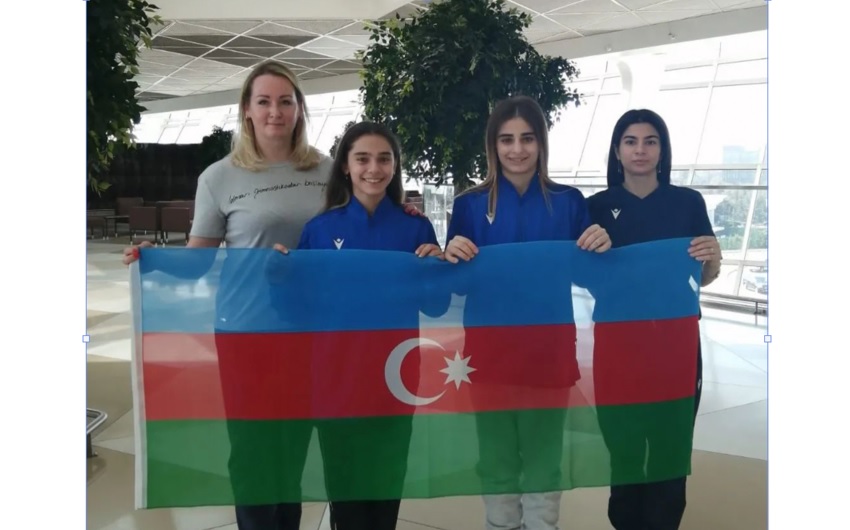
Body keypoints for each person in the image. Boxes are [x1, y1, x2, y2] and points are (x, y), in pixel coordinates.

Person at [122, 60, 421, 530]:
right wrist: (153, 259)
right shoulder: (219, 177)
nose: (275, 112)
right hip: (248, 335)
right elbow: (199, 259)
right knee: (255, 457)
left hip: (313, 337)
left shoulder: (326, 169)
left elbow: (364, 214)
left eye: (285, 101)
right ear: (247, 109)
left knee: (293, 455)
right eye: (263, 101)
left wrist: (403, 210)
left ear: (299, 109)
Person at [443, 95, 611, 530]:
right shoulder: (469, 205)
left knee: (544, 454)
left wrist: (600, 245)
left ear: (541, 143)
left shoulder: (569, 201)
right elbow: (456, 284)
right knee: (495, 454)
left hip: (547, 351)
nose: (517, 149)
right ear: (492, 145)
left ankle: (542, 524)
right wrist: (449, 256)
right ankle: (500, 524)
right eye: (506, 139)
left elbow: (588, 276)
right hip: (489, 352)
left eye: (527, 138)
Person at [274, 121, 442, 530]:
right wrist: (279, 275)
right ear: (345, 167)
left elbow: (435, 307)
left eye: (384, 159)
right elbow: (296, 311)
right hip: (336, 379)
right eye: (362, 159)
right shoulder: (320, 230)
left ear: (395, 166)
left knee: (386, 486)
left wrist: (435, 268)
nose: (374, 169)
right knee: (346, 493)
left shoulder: (415, 227)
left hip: (395, 378)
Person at [585, 108, 722, 530]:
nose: (640, 150)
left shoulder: (688, 203)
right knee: (623, 450)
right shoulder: (595, 208)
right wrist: (588, 250)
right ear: (617, 150)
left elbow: (704, 275)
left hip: (675, 348)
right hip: (618, 348)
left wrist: (714, 260)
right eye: (630, 141)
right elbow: (582, 277)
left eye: (650, 141)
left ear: (662, 150)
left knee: (670, 452)